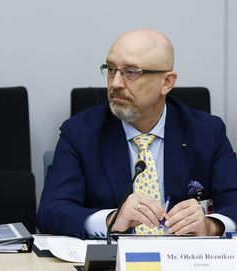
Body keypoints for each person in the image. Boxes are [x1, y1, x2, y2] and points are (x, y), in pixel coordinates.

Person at [37, 29, 237, 238]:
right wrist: (112, 219)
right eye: (111, 69)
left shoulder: (207, 132)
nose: (116, 83)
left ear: (167, 82)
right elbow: (50, 212)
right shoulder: (81, 133)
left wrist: (210, 225)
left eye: (131, 72)